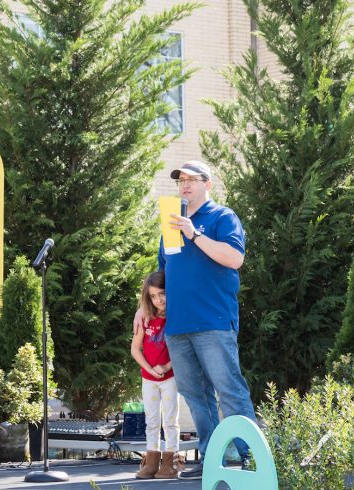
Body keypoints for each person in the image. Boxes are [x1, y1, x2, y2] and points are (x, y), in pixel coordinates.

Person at [133, 160, 256, 480]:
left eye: (192, 179)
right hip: (176, 327)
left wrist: (194, 233)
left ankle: (250, 460)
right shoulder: (170, 224)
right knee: (195, 396)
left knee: (229, 391)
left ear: (208, 184)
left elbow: (235, 258)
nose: (185, 185)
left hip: (213, 323)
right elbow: (162, 275)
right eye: (181, 180)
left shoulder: (222, 217)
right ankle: (214, 457)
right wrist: (143, 305)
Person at [131, 271, 183, 479]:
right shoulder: (144, 319)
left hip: (169, 378)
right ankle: (151, 462)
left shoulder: (176, 317)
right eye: (152, 296)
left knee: (170, 419)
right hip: (149, 379)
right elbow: (135, 349)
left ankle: (170, 462)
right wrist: (150, 369)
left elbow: (181, 350)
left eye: (162, 294)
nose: (158, 300)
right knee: (151, 420)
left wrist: (166, 366)